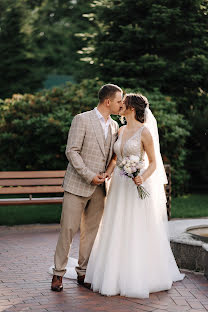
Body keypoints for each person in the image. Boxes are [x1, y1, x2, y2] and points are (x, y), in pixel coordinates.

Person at [84, 93, 185, 298]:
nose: (120, 105)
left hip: (135, 185)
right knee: (116, 225)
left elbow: (154, 163)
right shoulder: (120, 130)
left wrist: (142, 177)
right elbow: (115, 157)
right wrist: (109, 172)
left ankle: (138, 275)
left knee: (135, 226)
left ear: (131, 108)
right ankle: (113, 273)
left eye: (124, 103)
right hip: (119, 185)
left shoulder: (145, 132)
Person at [51, 84, 123, 292]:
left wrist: (108, 173)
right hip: (77, 185)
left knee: (90, 232)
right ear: (108, 102)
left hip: (100, 189)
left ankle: (83, 272)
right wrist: (90, 176)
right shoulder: (81, 119)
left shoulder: (115, 126)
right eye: (119, 101)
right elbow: (71, 152)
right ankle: (58, 274)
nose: (121, 104)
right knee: (68, 230)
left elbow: (112, 156)